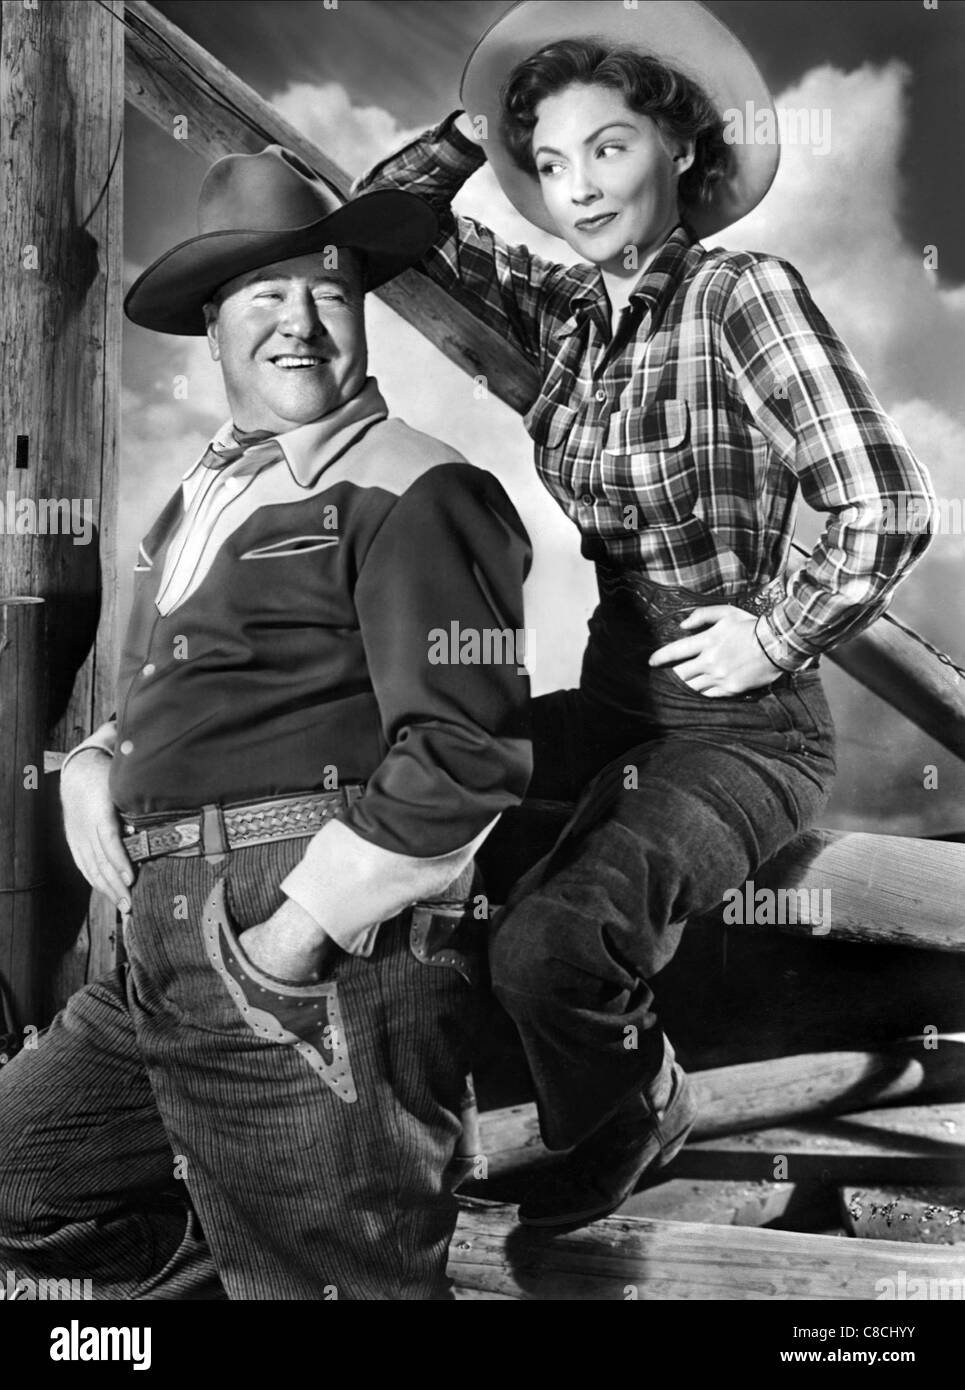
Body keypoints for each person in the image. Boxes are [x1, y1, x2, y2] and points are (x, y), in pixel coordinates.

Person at [353, 0, 936, 1226]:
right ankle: (404, 1140)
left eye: (607, 148)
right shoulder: (565, 315)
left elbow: (883, 499)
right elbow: (382, 234)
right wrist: (470, 138)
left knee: (552, 948)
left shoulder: (739, 295)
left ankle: (634, 1111)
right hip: (612, 701)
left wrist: (773, 632)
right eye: (549, 163)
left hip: (742, 732)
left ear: (677, 148)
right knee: (402, 847)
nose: (574, 188)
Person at [0, 144, 532, 1298]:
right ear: (213, 322)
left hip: (300, 947)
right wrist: (98, 758)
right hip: (156, 956)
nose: (301, 321)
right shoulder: (199, 498)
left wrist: (298, 933)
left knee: (340, 1280)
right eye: (265, 294)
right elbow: (168, 685)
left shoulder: (419, 485)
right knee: (20, 1178)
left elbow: (463, 753)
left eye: (329, 293)